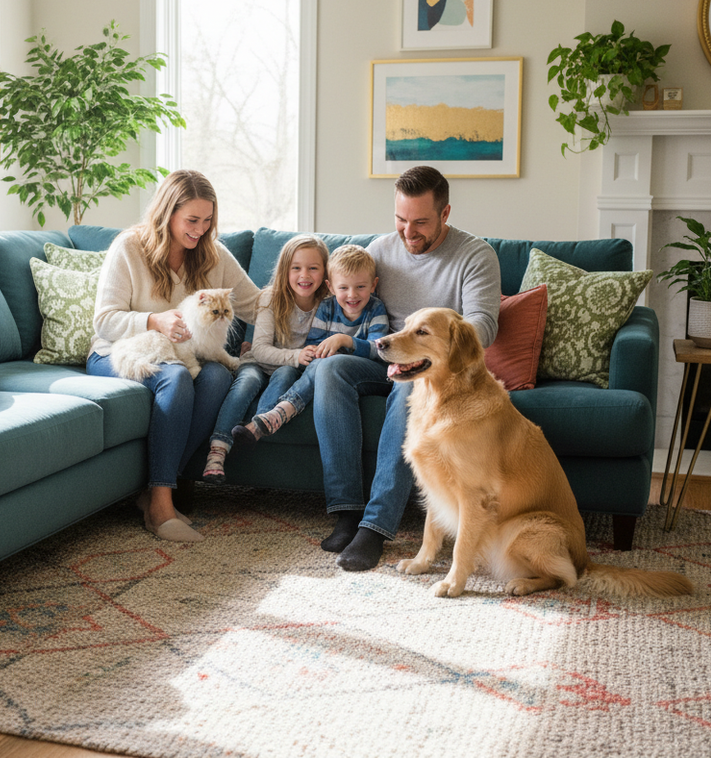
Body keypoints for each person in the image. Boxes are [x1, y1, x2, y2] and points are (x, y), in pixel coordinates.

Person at [314, 166, 501, 571]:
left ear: (445, 213)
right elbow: (346, 297)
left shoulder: (475, 255)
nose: (408, 232)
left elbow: (484, 326)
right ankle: (346, 510)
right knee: (330, 371)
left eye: (420, 223)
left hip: (432, 371)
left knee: (409, 386)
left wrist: (431, 343)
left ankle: (375, 527)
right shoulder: (381, 250)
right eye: (401, 220)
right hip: (379, 353)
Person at [88, 170, 261, 543]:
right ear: (167, 213)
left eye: (208, 220)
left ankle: (152, 494)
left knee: (217, 376)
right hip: (119, 352)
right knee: (178, 376)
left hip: (179, 355)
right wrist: (154, 320)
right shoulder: (129, 248)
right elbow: (104, 321)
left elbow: (256, 304)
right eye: (192, 220)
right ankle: (161, 509)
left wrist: (312, 298)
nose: (200, 230)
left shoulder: (213, 255)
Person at [202, 235, 331, 483]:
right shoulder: (270, 298)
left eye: (313, 268)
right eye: (296, 268)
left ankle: (255, 429)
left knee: (285, 373)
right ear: (284, 271)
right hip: (257, 362)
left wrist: (296, 359)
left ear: (325, 271)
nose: (304, 275)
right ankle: (217, 450)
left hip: (288, 368)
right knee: (247, 382)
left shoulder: (328, 304)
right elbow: (260, 350)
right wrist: (296, 355)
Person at [231, 244, 389, 444]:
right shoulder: (326, 306)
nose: (352, 295)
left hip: (358, 369)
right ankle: (263, 421)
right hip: (321, 366)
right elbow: (314, 342)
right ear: (331, 287)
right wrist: (318, 353)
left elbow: (378, 349)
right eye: (343, 288)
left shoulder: (375, 309)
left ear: (373, 285)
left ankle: (282, 410)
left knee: (320, 365)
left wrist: (345, 340)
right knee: (292, 370)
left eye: (360, 287)